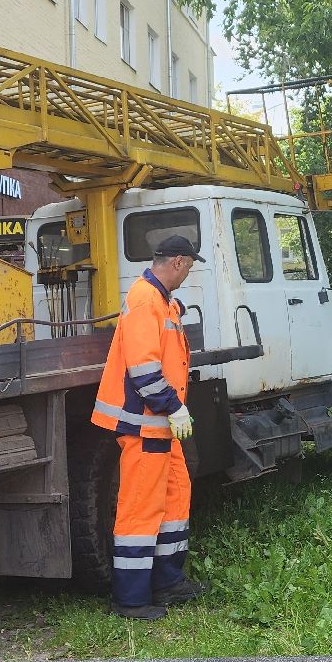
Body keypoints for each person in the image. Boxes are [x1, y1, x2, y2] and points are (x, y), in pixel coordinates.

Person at [89, 234, 207, 619]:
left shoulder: (161, 301)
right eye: (189, 267)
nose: (188, 274)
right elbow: (143, 369)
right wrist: (173, 407)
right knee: (140, 510)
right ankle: (131, 600)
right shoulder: (145, 300)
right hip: (144, 425)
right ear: (177, 262)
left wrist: (171, 413)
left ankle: (167, 581)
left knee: (174, 498)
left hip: (159, 427)